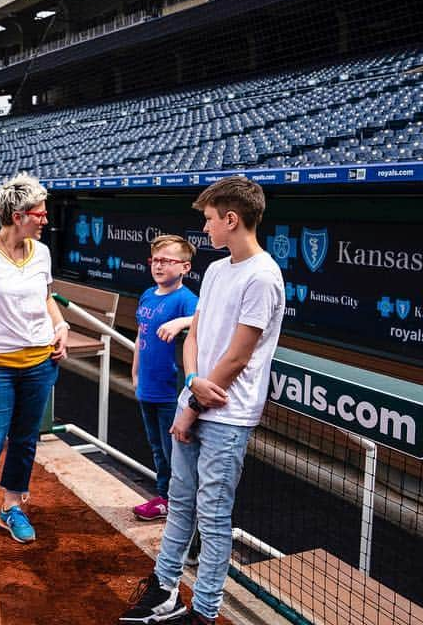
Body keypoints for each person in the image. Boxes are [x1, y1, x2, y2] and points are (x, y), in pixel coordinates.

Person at [119, 176, 285, 625]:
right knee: (179, 503)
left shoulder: (265, 277)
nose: (206, 228)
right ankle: (164, 591)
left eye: (210, 220)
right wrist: (191, 382)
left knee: (212, 519)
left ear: (232, 219)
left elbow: (238, 355)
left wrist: (193, 403)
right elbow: (195, 335)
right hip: (194, 399)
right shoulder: (216, 270)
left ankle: (205, 612)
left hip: (227, 415)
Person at [0, 173, 68, 544]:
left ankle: (11, 508)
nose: (45, 220)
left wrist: (61, 326)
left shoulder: (41, 252)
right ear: (17, 215)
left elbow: (45, 298)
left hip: (41, 363)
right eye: (39, 214)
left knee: (25, 440)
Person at [131, 235, 197, 522]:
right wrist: (134, 371)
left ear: (185, 267)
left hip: (171, 392)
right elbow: (140, 335)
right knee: (157, 448)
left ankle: (182, 506)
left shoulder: (186, 299)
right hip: (147, 386)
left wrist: (183, 321)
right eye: (155, 260)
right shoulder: (147, 294)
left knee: (175, 453)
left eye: (167, 261)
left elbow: (204, 318)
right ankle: (164, 498)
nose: (158, 266)